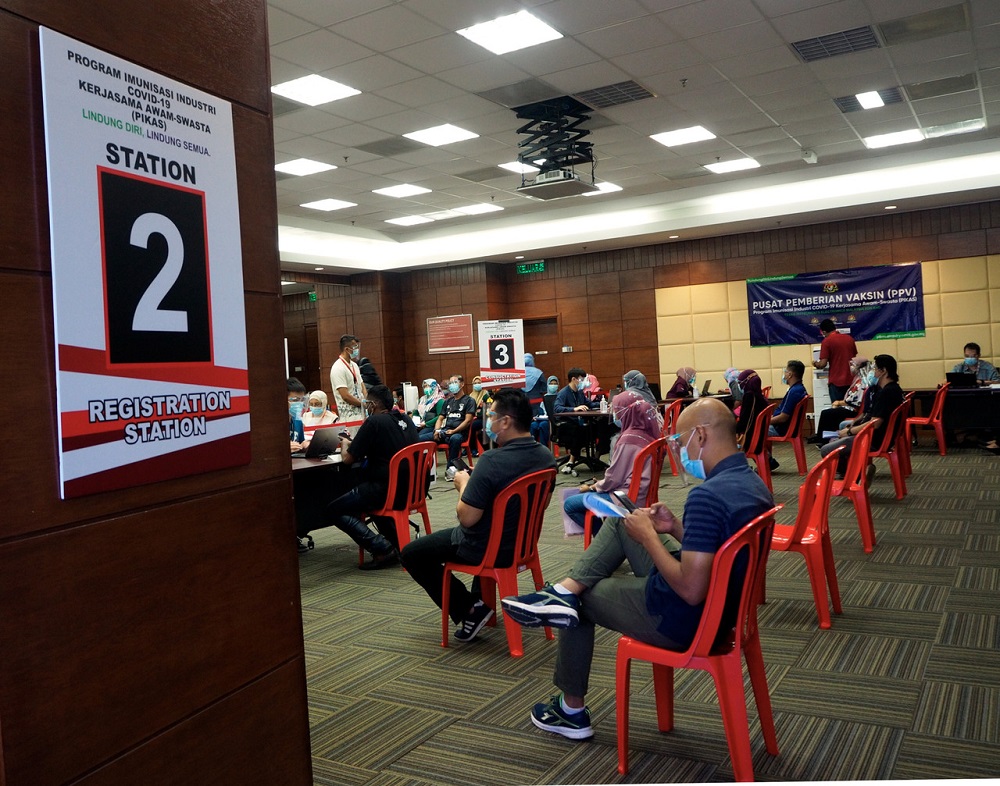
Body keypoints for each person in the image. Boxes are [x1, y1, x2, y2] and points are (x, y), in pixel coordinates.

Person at [500, 398, 774, 740]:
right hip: (725, 610)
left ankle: (570, 711)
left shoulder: (708, 496)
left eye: (680, 440)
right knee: (622, 520)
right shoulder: (751, 481)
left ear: (700, 436)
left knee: (579, 603)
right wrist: (673, 527)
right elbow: (725, 550)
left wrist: (649, 540)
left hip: (685, 618)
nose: (679, 450)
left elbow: (691, 590)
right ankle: (563, 592)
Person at [400, 388, 556, 642]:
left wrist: (464, 484)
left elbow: (467, 518)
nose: (489, 421)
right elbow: (542, 503)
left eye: (492, 415)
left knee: (411, 554)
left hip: (486, 547)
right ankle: (479, 606)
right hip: (522, 544)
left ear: (506, 421)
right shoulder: (546, 457)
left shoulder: (492, 461)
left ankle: (471, 608)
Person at [314, 385, 420, 569]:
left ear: (373, 404)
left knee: (333, 510)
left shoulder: (374, 423)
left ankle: (382, 548)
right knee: (367, 500)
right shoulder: (406, 419)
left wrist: (346, 442)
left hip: (386, 491)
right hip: (413, 489)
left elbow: (347, 459)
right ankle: (395, 545)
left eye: (367, 404)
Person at [563, 391, 661, 535]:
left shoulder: (628, 440)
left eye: (616, 411)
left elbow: (614, 478)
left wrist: (593, 487)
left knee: (569, 504)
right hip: (643, 494)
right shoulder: (647, 432)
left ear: (626, 413)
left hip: (625, 499)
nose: (615, 416)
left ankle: (605, 538)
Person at [820, 354, 904, 481]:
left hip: (871, 439)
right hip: (879, 437)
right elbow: (870, 417)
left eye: (875, 368)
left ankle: (854, 478)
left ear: (883, 371)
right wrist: (852, 427)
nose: (873, 372)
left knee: (826, 450)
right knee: (836, 441)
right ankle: (856, 474)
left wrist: (849, 431)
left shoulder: (886, 393)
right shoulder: (894, 389)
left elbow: (875, 423)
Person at [808, 356, 872, 443]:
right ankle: (824, 437)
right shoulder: (857, 379)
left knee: (827, 413)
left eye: (853, 365)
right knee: (829, 412)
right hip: (850, 407)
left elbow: (854, 401)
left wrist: (839, 403)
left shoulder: (862, 382)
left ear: (859, 367)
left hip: (852, 409)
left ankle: (823, 440)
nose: (851, 367)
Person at [554, 368, 600, 475]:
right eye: (581, 379)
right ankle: (571, 461)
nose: (584, 382)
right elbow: (557, 408)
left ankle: (595, 457)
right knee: (580, 430)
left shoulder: (579, 392)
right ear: (574, 379)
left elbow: (589, 404)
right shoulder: (563, 393)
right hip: (566, 425)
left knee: (596, 426)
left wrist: (604, 404)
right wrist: (573, 409)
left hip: (578, 423)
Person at [432, 374, 476, 461]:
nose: (452, 385)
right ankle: (428, 471)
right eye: (451, 383)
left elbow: (467, 421)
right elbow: (440, 418)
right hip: (445, 431)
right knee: (422, 438)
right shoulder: (448, 401)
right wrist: (437, 430)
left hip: (459, 433)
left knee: (454, 439)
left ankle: (451, 469)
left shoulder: (469, 401)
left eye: (455, 382)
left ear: (462, 384)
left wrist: (454, 431)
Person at [330, 334, 367, 437]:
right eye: (355, 347)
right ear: (347, 349)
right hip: (349, 418)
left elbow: (361, 385)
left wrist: (367, 400)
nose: (357, 350)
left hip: (362, 414)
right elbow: (345, 395)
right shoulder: (338, 368)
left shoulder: (354, 365)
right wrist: (362, 404)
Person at [813, 319, 858, 402]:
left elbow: (822, 364)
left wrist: (815, 363)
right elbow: (854, 357)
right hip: (852, 380)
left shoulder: (826, 341)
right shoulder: (849, 339)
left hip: (836, 381)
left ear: (824, 332)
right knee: (849, 408)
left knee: (836, 410)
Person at [733, 369, 768, 450]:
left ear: (745, 382)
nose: (739, 385)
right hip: (759, 435)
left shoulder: (749, 397)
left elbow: (744, 422)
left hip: (750, 438)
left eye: (739, 382)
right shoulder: (760, 397)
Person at [468, 375, 492, 456]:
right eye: (475, 383)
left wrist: (477, 414)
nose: (477, 385)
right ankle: (468, 448)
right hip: (473, 417)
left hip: (484, 418)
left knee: (473, 426)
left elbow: (484, 410)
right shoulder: (471, 395)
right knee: (466, 424)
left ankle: (473, 449)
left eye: (479, 383)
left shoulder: (486, 394)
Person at [288, 377, 307, 454]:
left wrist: (305, 445)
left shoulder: (298, 422)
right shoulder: (273, 425)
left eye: (302, 400)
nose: (299, 404)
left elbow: (301, 443)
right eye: (295, 400)